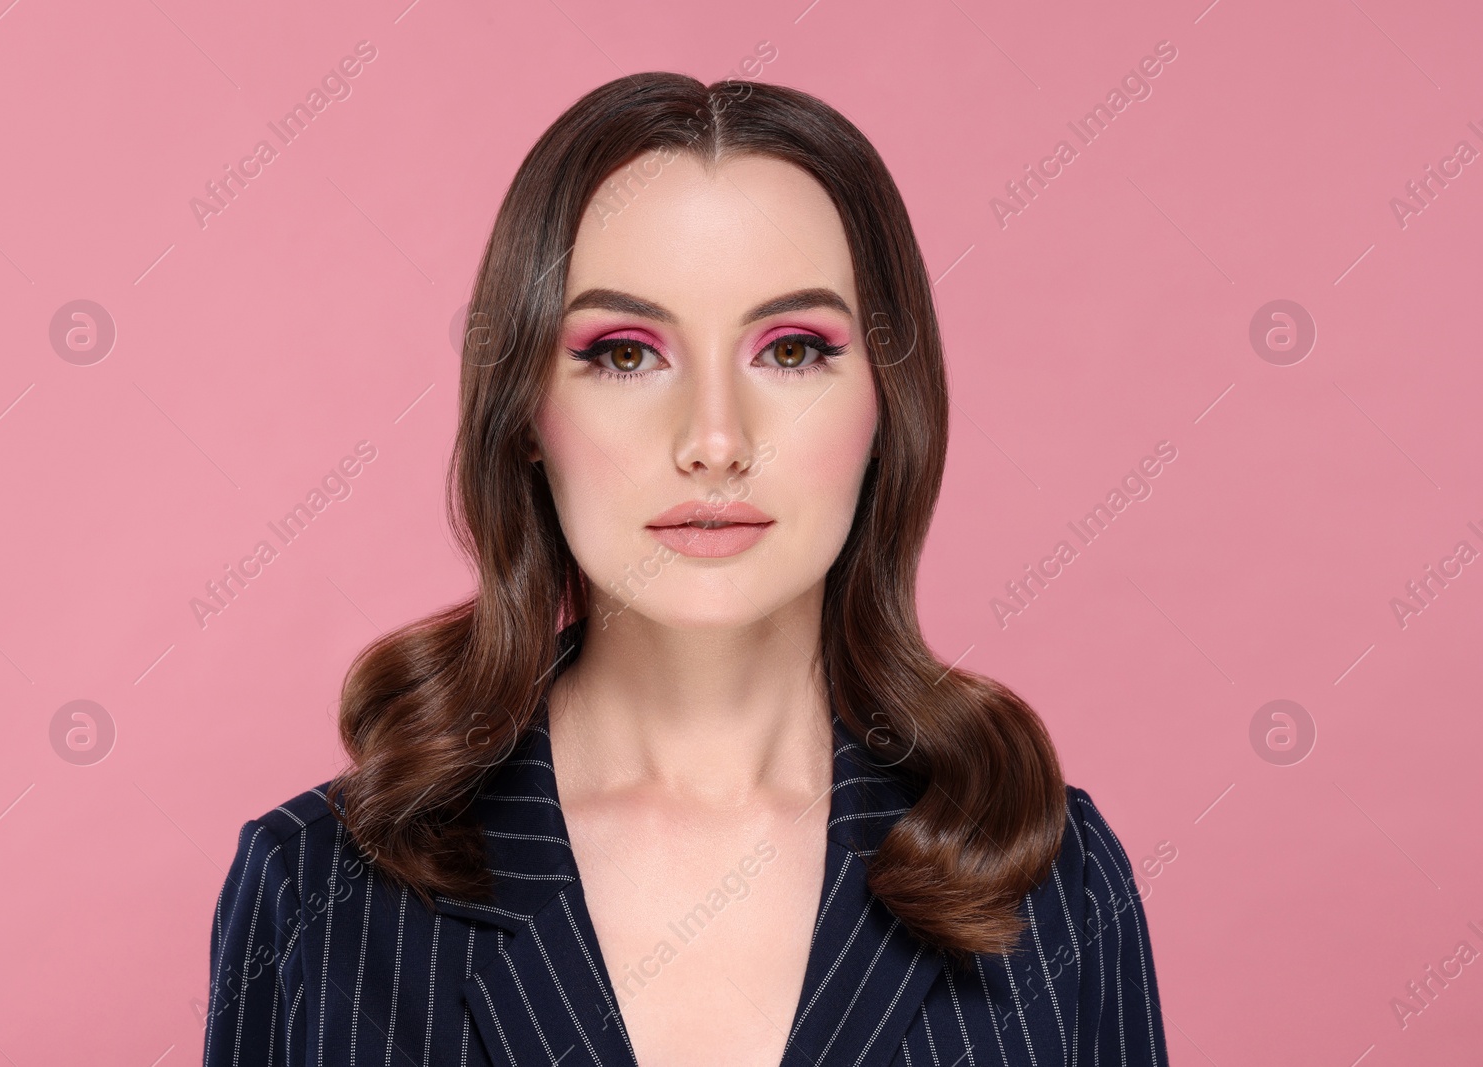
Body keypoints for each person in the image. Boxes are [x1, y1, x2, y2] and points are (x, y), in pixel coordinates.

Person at [203, 71, 1169, 1067]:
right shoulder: (319, 887)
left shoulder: (1051, 876)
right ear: (527, 413)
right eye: (624, 354)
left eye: (792, 349)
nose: (714, 439)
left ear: (887, 404)